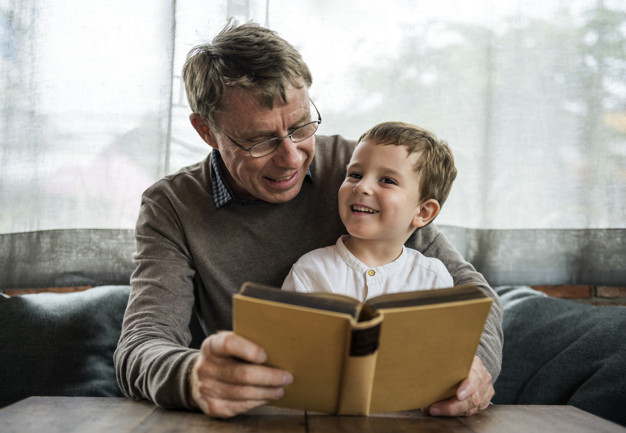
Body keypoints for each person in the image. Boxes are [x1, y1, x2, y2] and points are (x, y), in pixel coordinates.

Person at [114, 21, 503, 419]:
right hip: (260, 418)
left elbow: (475, 295)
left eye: (301, 127)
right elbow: (141, 345)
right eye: (260, 140)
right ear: (207, 131)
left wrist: (475, 371)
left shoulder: (359, 172)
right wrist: (193, 375)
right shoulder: (172, 206)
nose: (292, 158)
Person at [282, 121, 456, 299]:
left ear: (423, 212)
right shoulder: (310, 272)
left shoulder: (435, 279)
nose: (361, 186)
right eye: (355, 175)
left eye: (387, 180)